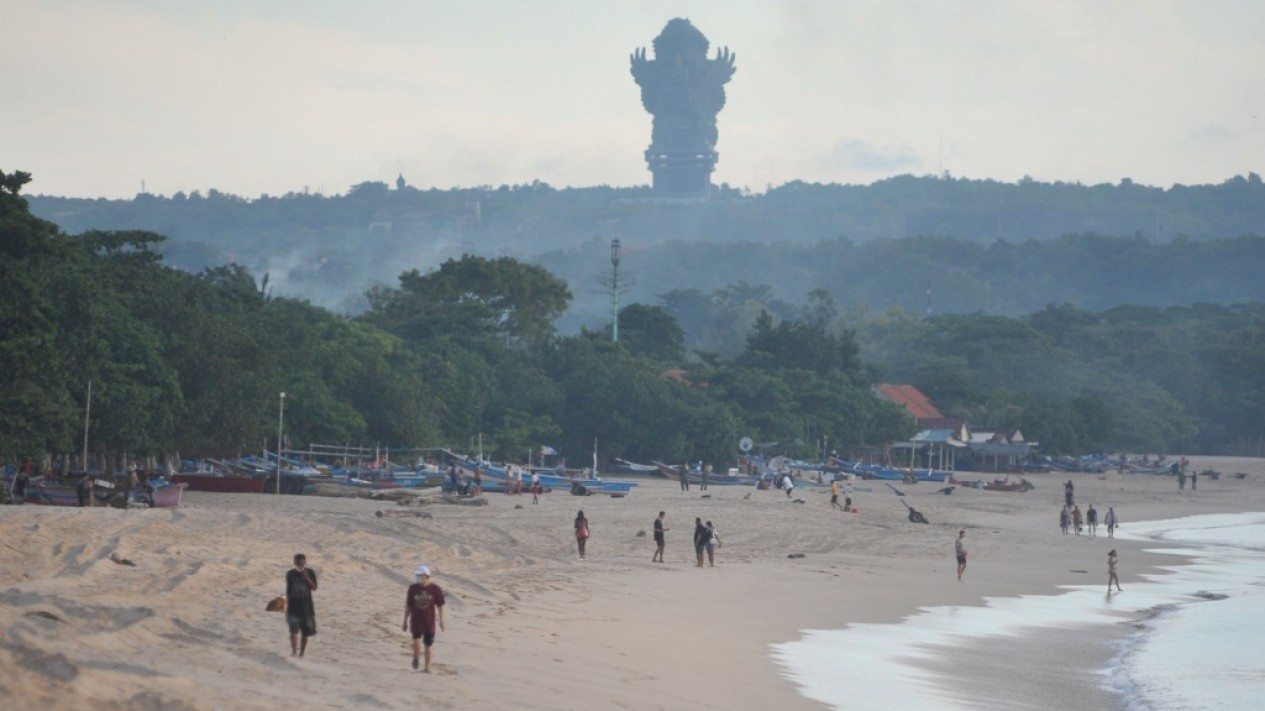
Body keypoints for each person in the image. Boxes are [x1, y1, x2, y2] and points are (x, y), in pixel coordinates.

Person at [403, 565, 446, 672]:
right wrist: (404, 621)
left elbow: (440, 605)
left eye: (419, 575)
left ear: (426, 576)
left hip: (429, 622)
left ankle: (427, 668)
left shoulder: (435, 589)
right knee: (416, 643)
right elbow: (408, 605)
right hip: (416, 621)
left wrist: (441, 620)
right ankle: (416, 656)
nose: (416, 577)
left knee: (428, 645)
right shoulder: (413, 588)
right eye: (416, 575)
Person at [285, 553, 318, 657]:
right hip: (293, 607)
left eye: (301, 562)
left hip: (307, 608)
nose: (299, 564)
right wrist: (286, 604)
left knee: (305, 633)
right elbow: (289, 590)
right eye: (297, 562)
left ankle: (301, 653)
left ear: (305, 562)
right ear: (294, 562)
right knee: (293, 631)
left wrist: (306, 577)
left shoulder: (310, 572)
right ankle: (294, 651)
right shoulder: (290, 573)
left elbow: (314, 588)